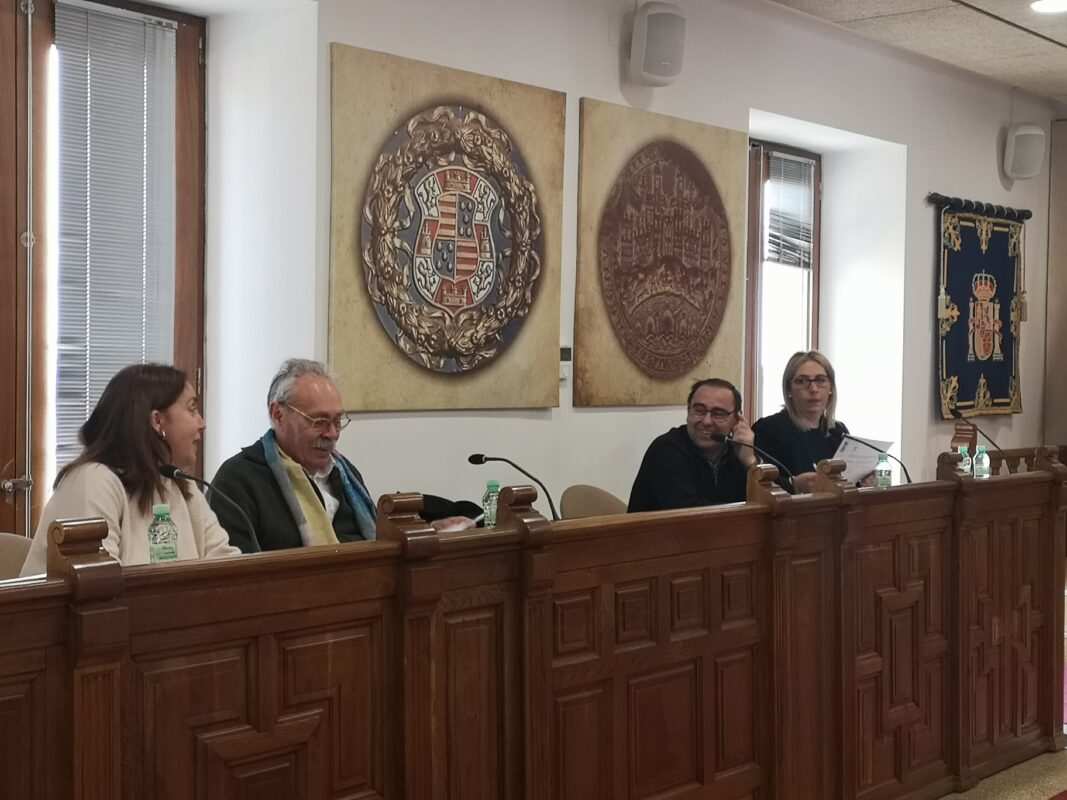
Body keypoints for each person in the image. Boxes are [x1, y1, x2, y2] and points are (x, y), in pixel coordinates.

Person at [210, 359, 475, 553]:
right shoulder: (238, 481)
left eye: (338, 421)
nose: (332, 434)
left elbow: (376, 545)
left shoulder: (345, 473)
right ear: (278, 414)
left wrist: (428, 531)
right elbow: (238, 576)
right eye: (319, 421)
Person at [20, 364, 240, 575]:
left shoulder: (182, 485)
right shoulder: (93, 481)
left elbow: (228, 569)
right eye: (192, 409)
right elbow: (96, 585)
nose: (202, 423)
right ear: (157, 421)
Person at [628, 378, 756, 513]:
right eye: (699, 411)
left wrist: (750, 462)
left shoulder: (738, 448)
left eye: (718, 414)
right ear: (688, 412)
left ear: (737, 419)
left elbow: (770, 503)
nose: (706, 421)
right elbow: (689, 514)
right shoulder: (666, 449)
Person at [752, 350, 848, 494]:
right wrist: (792, 484)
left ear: (831, 389)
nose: (813, 389)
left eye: (821, 380)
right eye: (802, 381)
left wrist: (864, 480)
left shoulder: (838, 431)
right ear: (788, 390)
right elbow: (758, 483)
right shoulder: (767, 429)